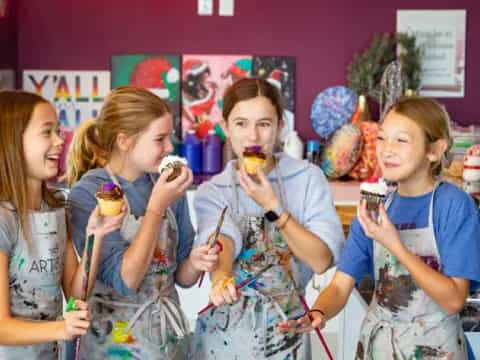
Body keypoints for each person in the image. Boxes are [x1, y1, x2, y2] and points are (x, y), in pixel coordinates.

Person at [278, 97, 480, 359]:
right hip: (379, 348)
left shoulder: (453, 205)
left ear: (435, 149)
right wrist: (318, 313)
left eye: (402, 140)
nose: (387, 150)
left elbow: (453, 300)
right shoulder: (374, 206)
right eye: (383, 138)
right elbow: (340, 285)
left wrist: (395, 245)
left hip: (436, 349)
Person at [191, 78, 344, 359]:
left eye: (264, 124)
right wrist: (221, 278)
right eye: (241, 124)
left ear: (279, 127)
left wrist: (273, 206)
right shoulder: (211, 191)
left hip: (287, 331)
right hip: (224, 337)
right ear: (225, 128)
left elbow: (321, 261)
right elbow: (220, 237)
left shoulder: (308, 179)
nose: (253, 137)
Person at [66, 86, 219, 359]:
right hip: (113, 344)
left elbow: (181, 278)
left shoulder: (166, 186)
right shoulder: (90, 194)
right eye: (160, 139)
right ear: (124, 141)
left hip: (166, 342)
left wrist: (195, 262)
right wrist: (156, 207)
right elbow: (126, 281)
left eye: (169, 137)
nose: (170, 148)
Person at [0, 91, 124, 359]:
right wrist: (61, 329)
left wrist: (95, 236)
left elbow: (75, 294)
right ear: (12, 142)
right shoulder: (3, 220)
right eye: (47, 132)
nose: (60, 140)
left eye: (58, 130)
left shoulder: (56, 208)